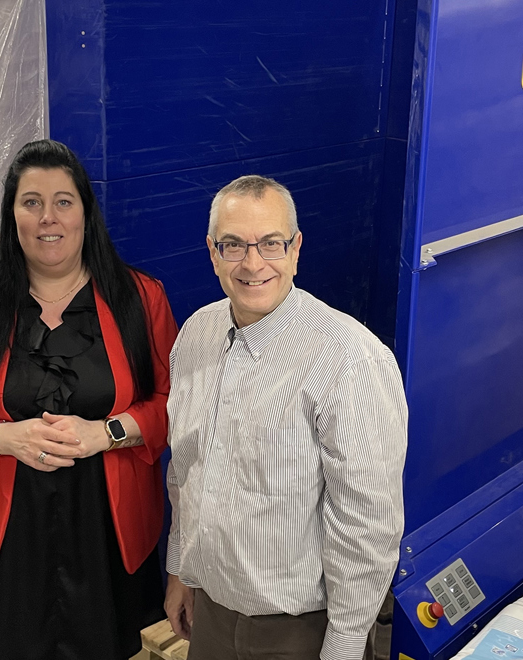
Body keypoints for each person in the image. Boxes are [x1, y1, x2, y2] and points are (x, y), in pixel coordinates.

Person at [0, 139, 178, 660]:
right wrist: (2, 437)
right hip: (5, 537)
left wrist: (105, 433)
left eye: (63, 201)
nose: (48, 217)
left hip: (107, 534)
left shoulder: (140, 297)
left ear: (85, 213)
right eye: (31, 202)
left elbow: (174, 404)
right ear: (12, 215)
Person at [163, 175, 408, 660]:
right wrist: (181, 572)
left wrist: (344, 645)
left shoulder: (349, 360)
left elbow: (367, 524)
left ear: (295, 249)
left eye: (270, 243)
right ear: (212, 252)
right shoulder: (196, 335)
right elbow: (185, 471)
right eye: (234, 245)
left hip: (300, 634)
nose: (253, 263)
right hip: (210, 612)